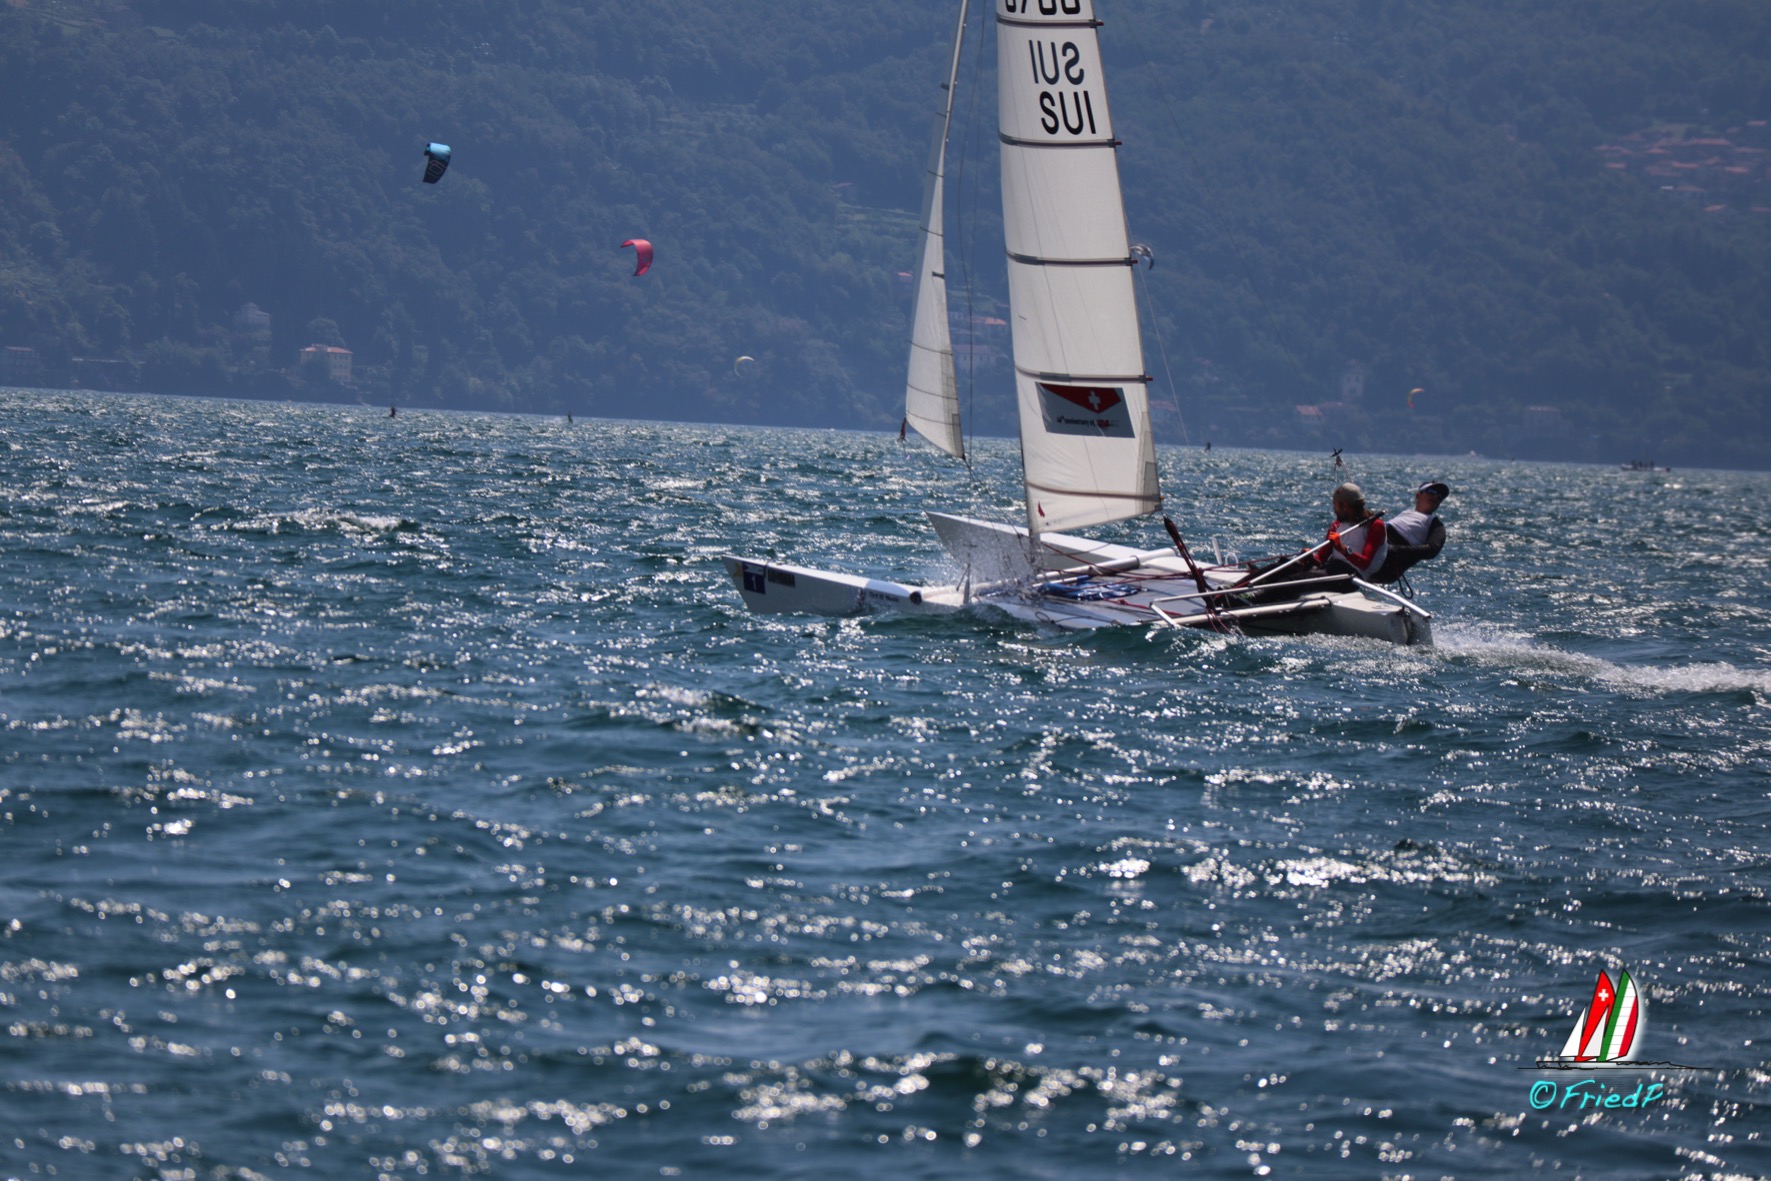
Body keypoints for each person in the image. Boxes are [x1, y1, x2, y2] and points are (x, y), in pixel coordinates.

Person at [1371, 480, 1448, 584]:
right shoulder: (1406, 513)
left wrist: (1394, 550)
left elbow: (1432, 550)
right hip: (1376, 542)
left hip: (1387, 560)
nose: (1436, 497)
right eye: (1432, 492)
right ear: (1418, 495)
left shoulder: (1435, 524)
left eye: (1440, 496)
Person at [1315, 481, 1387, 578]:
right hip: (1332, 568)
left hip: (1352, 575)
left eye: (1335, 504)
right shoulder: (1337, 524)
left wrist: (1342, 549)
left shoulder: (1375, 526)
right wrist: (1310, 558)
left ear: (1345, 506)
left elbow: (1364, 563)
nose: (1333, 509)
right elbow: (1321, 558)